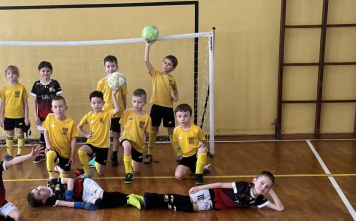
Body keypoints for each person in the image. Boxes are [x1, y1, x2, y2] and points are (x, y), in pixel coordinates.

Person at [143, 171, 284, 212]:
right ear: (254, 180)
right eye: (262, 183)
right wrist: (199, 188)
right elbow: (221, 184)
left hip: (216, 205)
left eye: (267, 186)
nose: (263, 187)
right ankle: (154, 197)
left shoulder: (260, 200)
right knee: (188, 199)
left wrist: (271, 192)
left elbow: (280, 208)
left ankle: (160, 204)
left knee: (191, 208)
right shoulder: (243, 186)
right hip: (214, 193)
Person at [27, 170, 144, 210]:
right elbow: (67, 204)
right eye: (39, 193)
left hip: (84, 184)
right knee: (100, 204)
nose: (40, 189)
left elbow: (70, 180)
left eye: (37, 188)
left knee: (104, 196)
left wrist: (69, 192)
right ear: (43, 200)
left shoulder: (52, 183)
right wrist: (82, 205)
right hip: (84, 197)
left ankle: (128, 197)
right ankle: (128, 199)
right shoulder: (51, 200)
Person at [143, 41, 180, 163]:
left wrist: (176, 97)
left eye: (169, 64)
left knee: (171, 131)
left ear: (173, 68)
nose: (166, 65)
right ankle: (149, 153)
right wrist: (148, 45)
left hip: (168, 108)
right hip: (156, 107)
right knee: (154, 129)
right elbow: (146, 61)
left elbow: (175, 90)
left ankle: (179, 154)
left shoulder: (172, 79)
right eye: (165, 62)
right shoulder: (156, 74)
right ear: (162, 63)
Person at [77, 90, 120, 176]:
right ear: (91, 104)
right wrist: (86, 135)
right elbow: (79, 127)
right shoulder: (88, 116)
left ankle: (95, 162)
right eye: (94, 103)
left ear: (103, 103)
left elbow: (117, 109)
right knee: (81, 151)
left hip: (103, 146)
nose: (96, 105)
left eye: (99, 102)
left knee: (101, 172)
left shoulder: (107, 113)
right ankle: (87, 172)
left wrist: (113, 95)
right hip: (92, 143)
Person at [96, 55, 127, 166]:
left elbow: (124, 97)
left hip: (118, 113)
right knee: (102, 135)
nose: (111, 69)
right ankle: (100, 154)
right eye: (108, 66)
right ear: (105, 69)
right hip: (105, 113)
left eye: (113, 66)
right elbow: (98, 99)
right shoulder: (101, 83)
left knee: (116, 135)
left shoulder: (122, 81)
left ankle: (114, 155)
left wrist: (124, 110)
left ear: (117, 67)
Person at [31, 61, 62, 164]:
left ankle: (55, 153)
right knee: (43, 133)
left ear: (51, 72)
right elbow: (34, 101)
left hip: (53, 114)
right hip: (42, 115)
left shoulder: (55, 83)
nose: (45, 73)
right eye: (43, 71)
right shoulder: (37, 85)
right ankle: (41, 154)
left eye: (48, 71)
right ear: (39, 72)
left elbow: (59, 99)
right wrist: (35, 115)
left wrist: (58, 113)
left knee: (53, 133)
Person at [119, 89, 152, 184]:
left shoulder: (147, 117)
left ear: (145, 102)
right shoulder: (127, 113)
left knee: (137, 170)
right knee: (127, 146)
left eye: (139, 102)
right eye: (134, 101)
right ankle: (128, 172)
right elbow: (121, 124)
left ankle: (132, 161)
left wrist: (143, 139)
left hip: (138, 145)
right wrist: (123, 134)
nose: (136, 104)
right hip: (126, 139)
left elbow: (147, 133)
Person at [0, 64, 31, 161]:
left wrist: (26, 118)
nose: (11, 75)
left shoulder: (21, 88)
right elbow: (2, 105)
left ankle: (19, 154)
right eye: (8, 73)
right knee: (9, 136)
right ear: (6, 75)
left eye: (13, 73)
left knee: (20, 134)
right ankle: (9, 154)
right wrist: (1, 118)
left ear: (17, 75)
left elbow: (26, 104)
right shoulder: (4, 89)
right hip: (8, 117)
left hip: (19, 116)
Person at [42, 96, 78, 179]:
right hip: (54, 149)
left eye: (60, 106)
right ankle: (51, 177)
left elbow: (73, 139)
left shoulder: (71, 122)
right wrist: (48, 146)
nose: (58, 109)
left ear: (66, 108)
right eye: (55, 107)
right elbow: (45, 131)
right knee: (50, 154)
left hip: (65, 153)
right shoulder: (50, 118)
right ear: (52, 109)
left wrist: (72, 155)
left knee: (64, 177)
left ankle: (58, 167)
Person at [173, 103, 207, 184]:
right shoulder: (176, 131)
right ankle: (195, 167)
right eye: (179, 116)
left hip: (196, 154)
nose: (182, 119)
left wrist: (201, 153)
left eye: (185, 116)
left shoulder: (196, 129)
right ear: (176, 117)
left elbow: (204, 142)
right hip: (186, 157)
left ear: (190, 116)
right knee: (178, 176)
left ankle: (199, 174)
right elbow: (177, 143)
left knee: (202, 150)